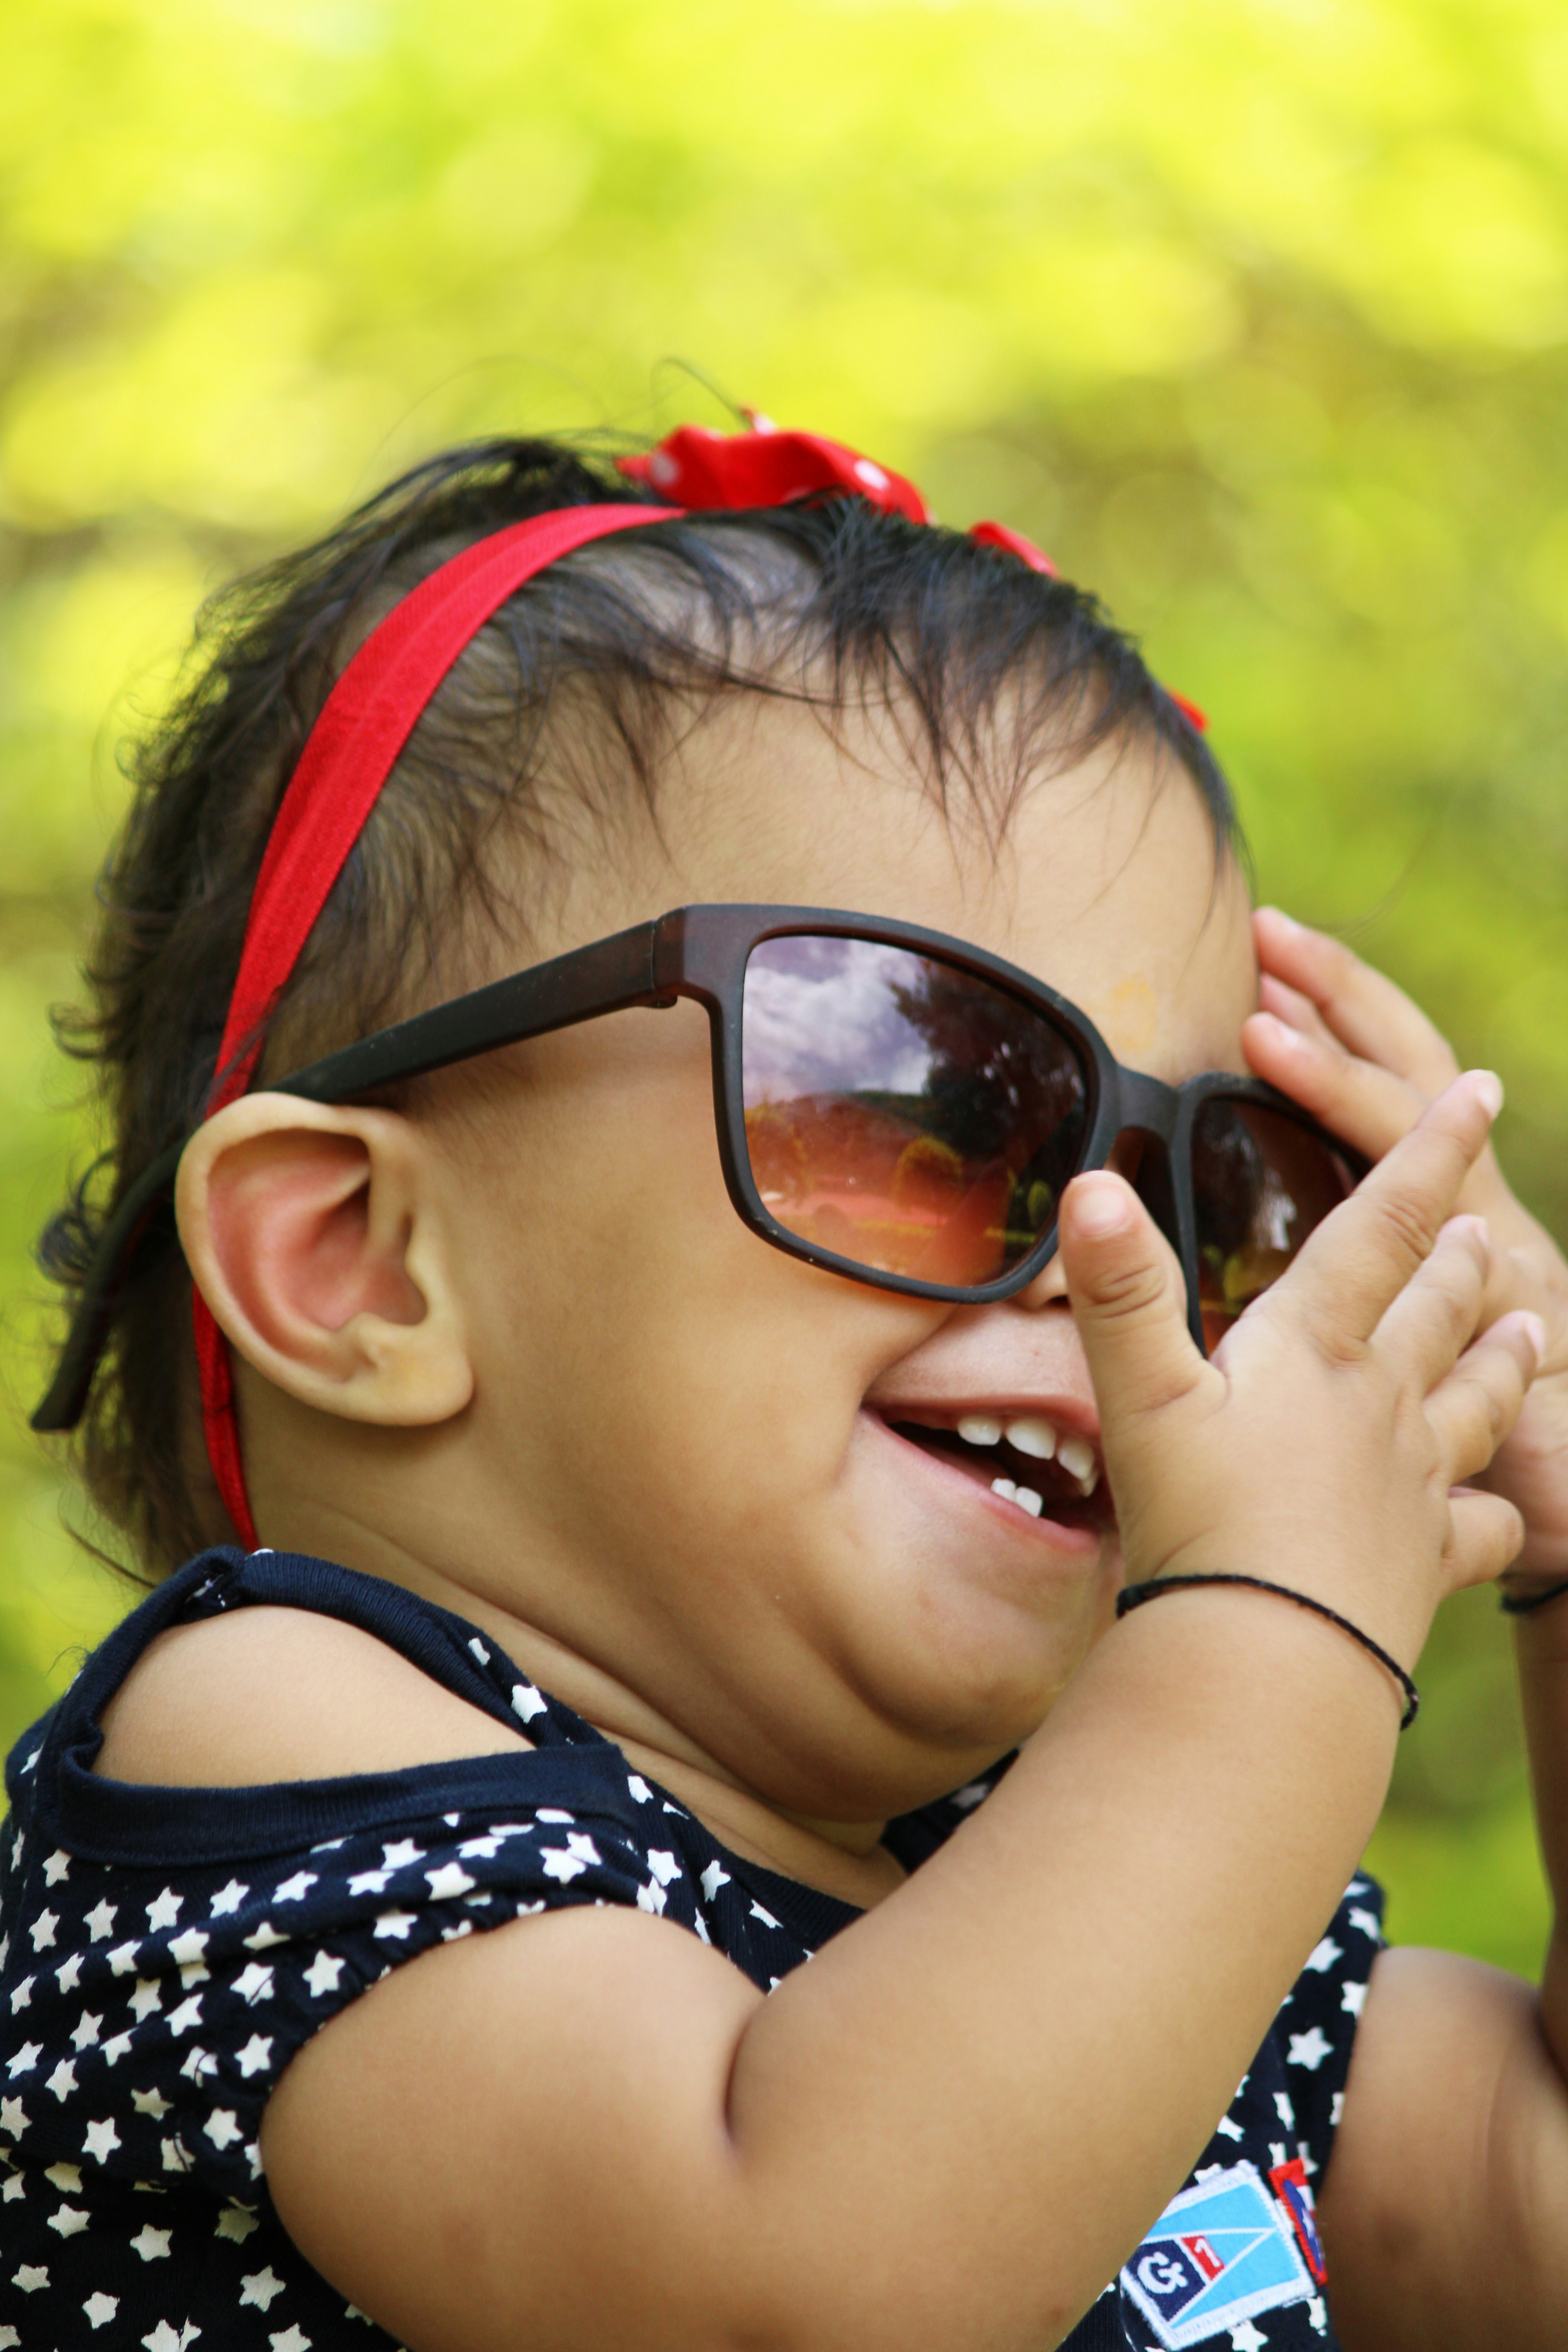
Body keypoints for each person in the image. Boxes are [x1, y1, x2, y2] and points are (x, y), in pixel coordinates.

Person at [0, 415, 1564, 2352]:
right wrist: (1275, 1622)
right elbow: (796, 2288)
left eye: (1229, 1189)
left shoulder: (1099, 1876)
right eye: (924, 1106)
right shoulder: (265, 1736)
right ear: (360, 1267)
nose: (1121, 1268)